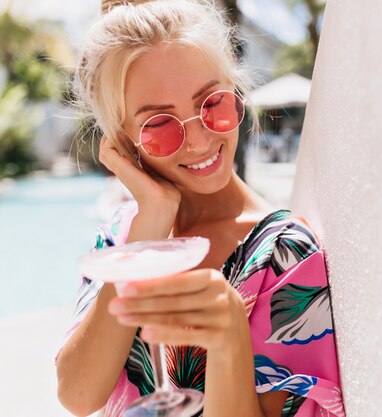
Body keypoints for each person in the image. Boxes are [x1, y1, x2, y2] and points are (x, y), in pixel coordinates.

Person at [54, 1, 345, 417]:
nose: (198, 142)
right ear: (121, 140)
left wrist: (229, 335)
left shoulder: (283, 255)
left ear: (235, 92)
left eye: (212, 103)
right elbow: (78, 395)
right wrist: (150, 222)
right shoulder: (121, 237)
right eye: (159, 124)